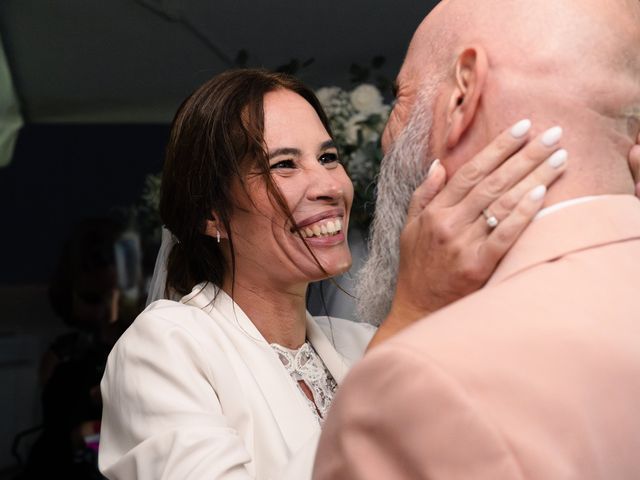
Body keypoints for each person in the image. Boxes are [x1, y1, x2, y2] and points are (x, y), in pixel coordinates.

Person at [98, 67, 585, 480]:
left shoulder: (357, 344)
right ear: (212, 215)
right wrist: (410, 314)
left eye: (328, 158)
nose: (329, 185)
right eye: (284, 164)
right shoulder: (164, 347)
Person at [313, 0, 640, 478]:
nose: (387, 136)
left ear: (463, 94)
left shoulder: (421, 384)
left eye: (400, 97)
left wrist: (409, 322)